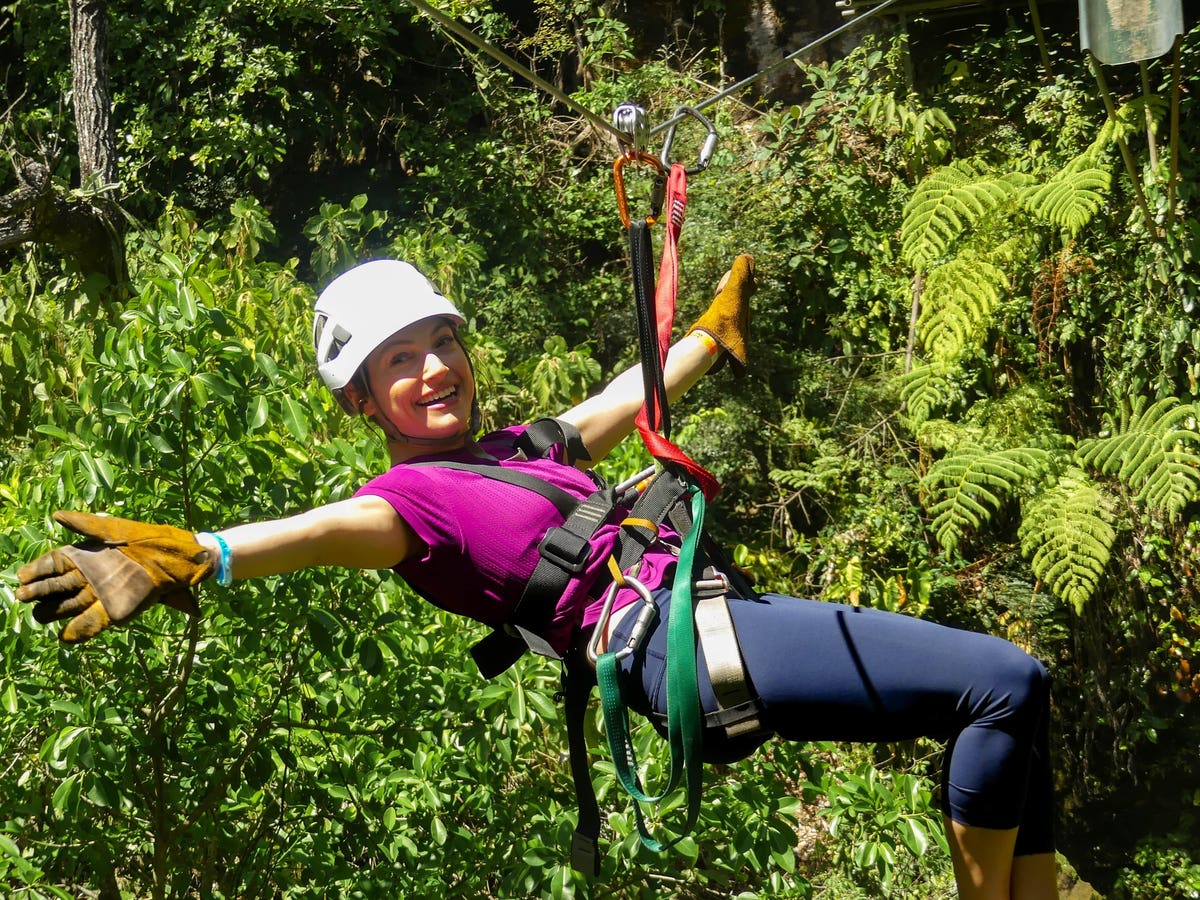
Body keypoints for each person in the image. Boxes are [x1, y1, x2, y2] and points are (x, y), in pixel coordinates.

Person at [17, 257, 1057, 899]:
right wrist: (199, 553)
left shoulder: (520, 451)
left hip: (719, 616)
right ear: (363, 400)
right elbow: (321, 531)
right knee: (1000, 684)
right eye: (401, 360)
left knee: (1025, 700)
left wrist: (707, 334)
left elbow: (620, 400)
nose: (436, 367)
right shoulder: (411, 505)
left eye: (442, 342)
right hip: (674, 647)